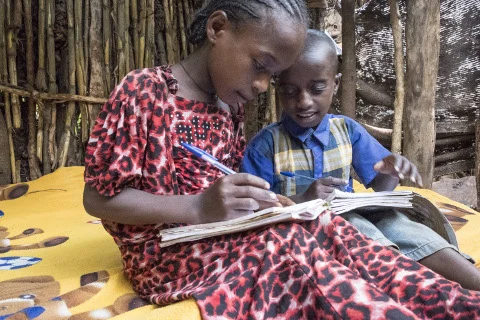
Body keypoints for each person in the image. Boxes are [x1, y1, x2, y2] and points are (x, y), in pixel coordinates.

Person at [83, 2, 480, 318]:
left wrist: (266, 204)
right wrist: (197, 206)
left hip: (221, 235)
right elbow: (97, 199)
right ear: (218, 29)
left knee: (328, 226)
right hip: (166, 256)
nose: (260, 86)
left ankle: (454, 302)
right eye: (260, 66)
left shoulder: (226, 106)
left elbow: (225, 188)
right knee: (286, 245)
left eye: (269, 77)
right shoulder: (144, 90)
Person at [242, 29, 480, 292]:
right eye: (289, 91)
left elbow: (381, 186)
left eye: (317, 88)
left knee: (400, 225)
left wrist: (390, 171)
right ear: (277, 89)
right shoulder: (265, 146)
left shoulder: (347, 130)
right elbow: (254, 213)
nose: (304, 101)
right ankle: (415, 290)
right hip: (308, 234)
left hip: (353, 216)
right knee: (360, 229)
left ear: (335, 84)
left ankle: (473, 283)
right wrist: (300, 200)